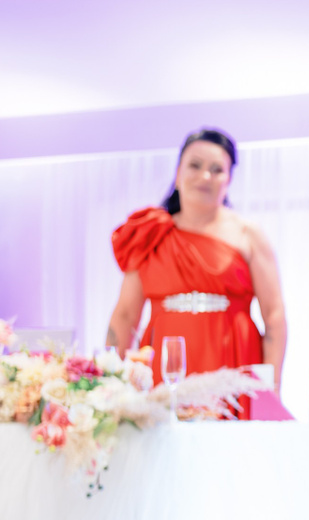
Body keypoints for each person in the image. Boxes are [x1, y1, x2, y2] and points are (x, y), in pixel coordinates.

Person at [106, 129, 286, 417]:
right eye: (195, 165)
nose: (205, 176)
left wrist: (271, 388)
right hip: (164, 363)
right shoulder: (149, 234)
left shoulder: (248, 234)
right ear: (178, 173)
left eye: (217, 170)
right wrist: (111, 384)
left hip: (234, 361)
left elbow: (274, 315)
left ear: (229, 180)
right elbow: (125, 315)